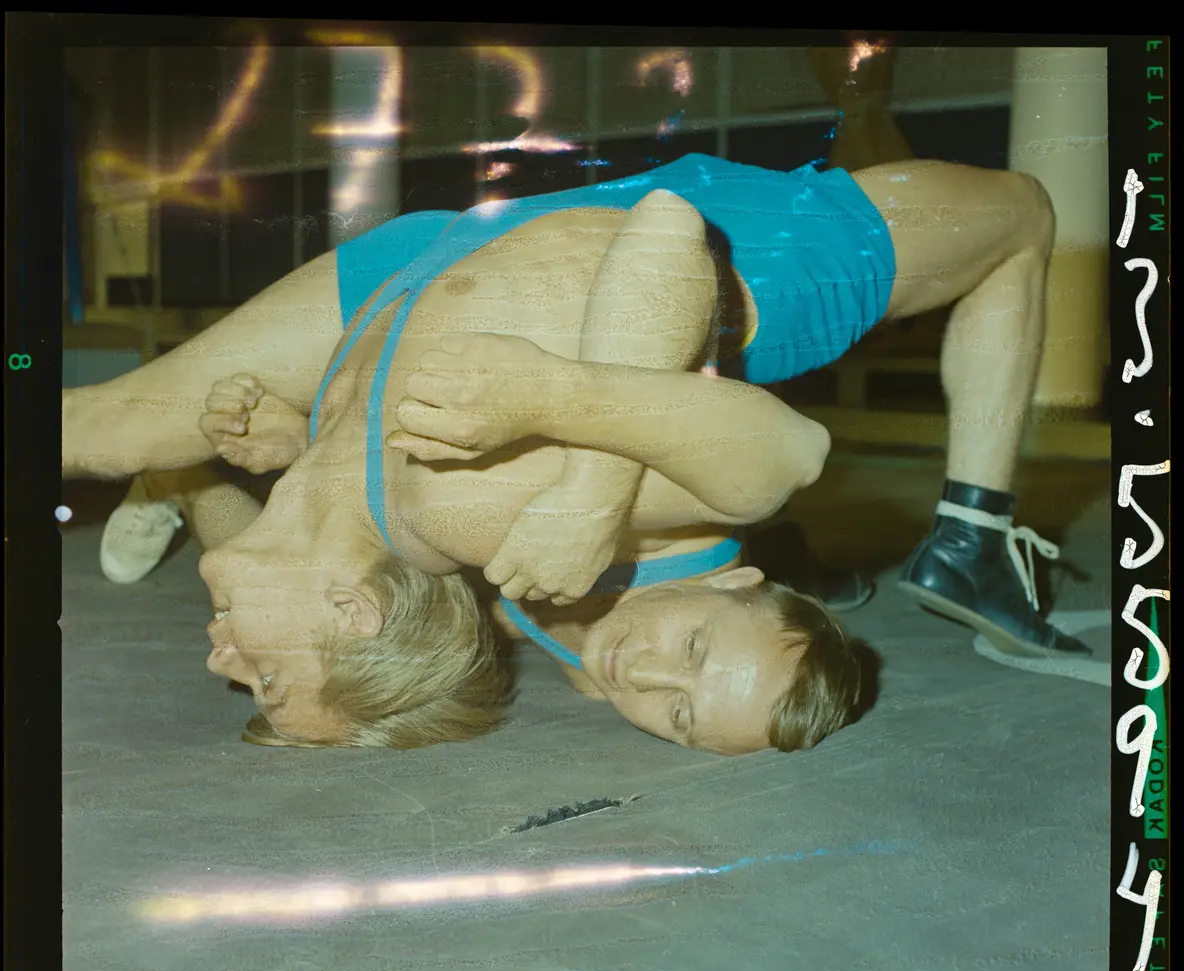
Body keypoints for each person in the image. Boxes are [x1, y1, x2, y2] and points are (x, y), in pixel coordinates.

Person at [64, 153, 1089, 750]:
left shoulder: (565, 652)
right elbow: (783, 451)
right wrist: (589, 481)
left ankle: (166, 463)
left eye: (676, 716)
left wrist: (227, 469)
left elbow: (377, 601)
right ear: (739, 580)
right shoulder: (552, 525)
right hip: (733, 266)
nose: (648, 670)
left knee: (106, 427)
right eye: (691, 656)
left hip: (434, 271)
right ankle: (974, 526)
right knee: (1020, 216)